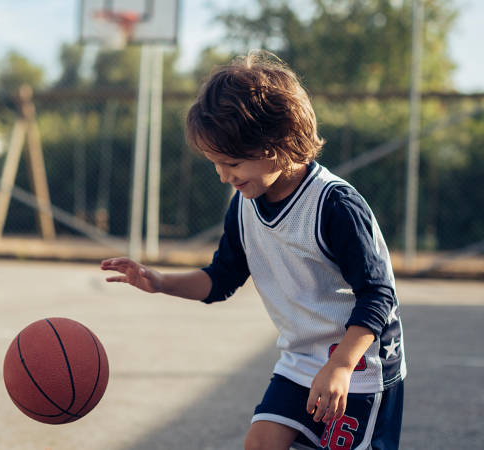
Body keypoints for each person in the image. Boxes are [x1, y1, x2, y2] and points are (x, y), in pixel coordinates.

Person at [101, 50, 406, 450]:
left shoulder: (334, 206)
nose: (224, 176)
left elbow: (378, 295)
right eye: (215, 163)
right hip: (300, 363)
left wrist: (341, 366)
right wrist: (158, 281)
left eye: (231, 163)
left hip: (359, 366)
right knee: (259, 442)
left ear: (277, 143)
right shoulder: (243, 207)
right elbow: (220, 279)